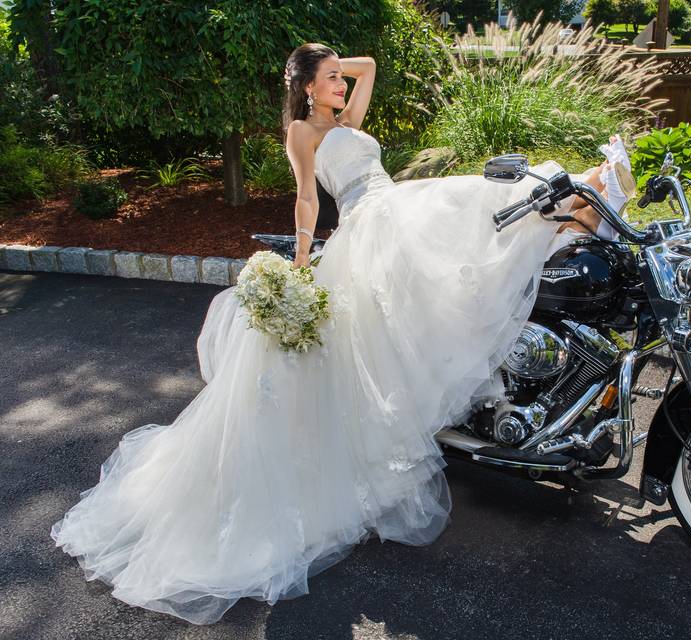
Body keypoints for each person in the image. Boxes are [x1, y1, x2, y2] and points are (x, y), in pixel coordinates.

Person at [50, 43, 634, 625]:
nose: (343, 86)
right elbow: (308, 197)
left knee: (471, 221)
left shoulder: (343, 119)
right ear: (306, 88)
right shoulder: (302, 133)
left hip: (393, 205)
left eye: (340, 79)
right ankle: (587, 196)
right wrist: (301, 264)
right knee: (454, 240)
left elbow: (370, 68)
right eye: (331, 80)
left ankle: (590, 211)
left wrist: (329, 68)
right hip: (368, 225)